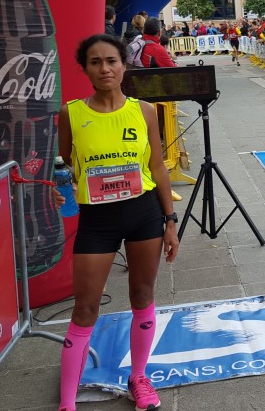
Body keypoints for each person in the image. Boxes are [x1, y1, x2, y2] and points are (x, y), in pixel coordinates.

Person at [54, 34, 178, 411]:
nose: (105, 68)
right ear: (86, 68)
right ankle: (66, 401)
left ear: (124, 65)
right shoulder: (71, 113)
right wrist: (58, 190)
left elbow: (156, 166)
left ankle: (139, 377)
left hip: (143, 214)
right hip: (98, 220)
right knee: (85, 308)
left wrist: (170, 221)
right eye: (95, 62)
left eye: (111, 61)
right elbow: (62, 167)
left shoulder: (143, 111)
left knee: (142, 296)